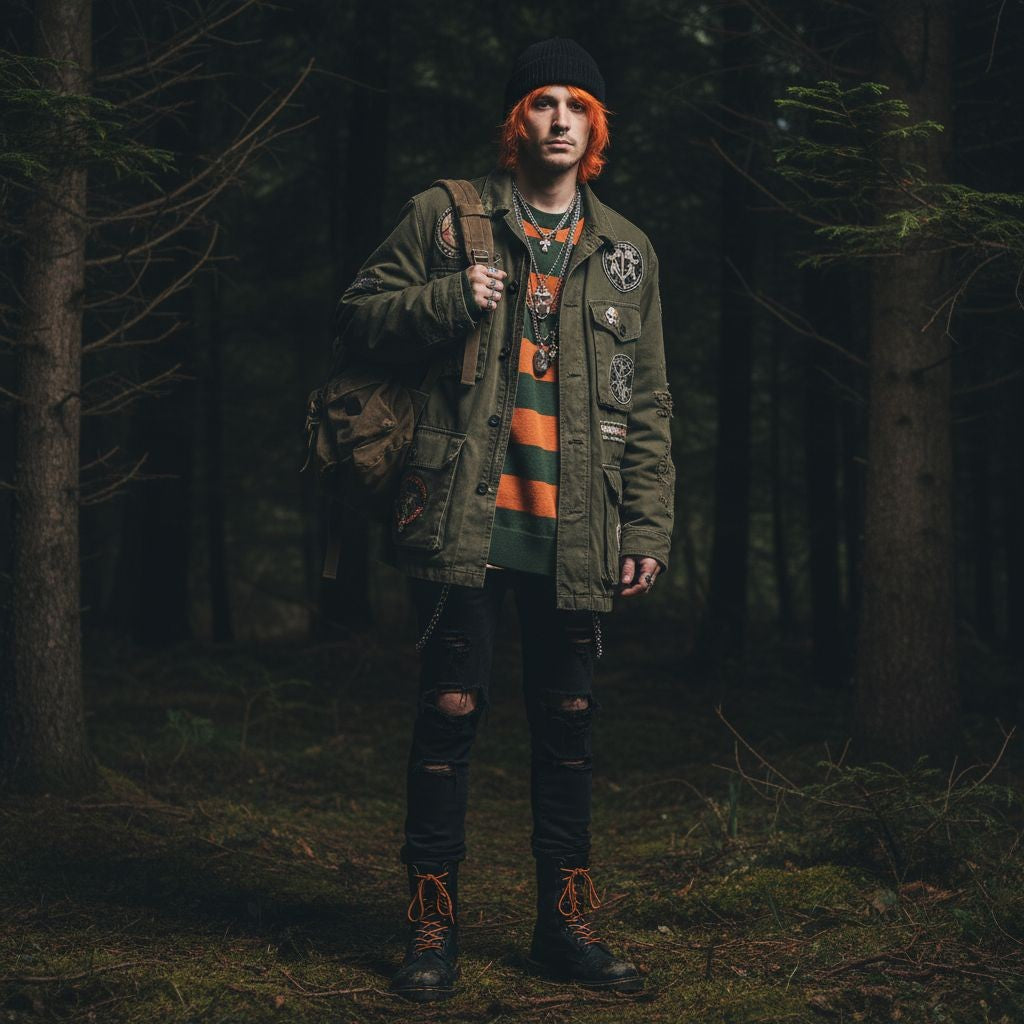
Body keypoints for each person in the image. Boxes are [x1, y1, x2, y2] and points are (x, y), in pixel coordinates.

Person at [335, 38, 675, 1002]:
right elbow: (357, 314)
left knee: (569, 725)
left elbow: (648, 405)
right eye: (542, 101)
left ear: (595, 129)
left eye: (578, 105)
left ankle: (564, 928)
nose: (560, 118)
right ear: (515, 122)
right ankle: (430, 930)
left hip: (576, 533)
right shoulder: (446, 218)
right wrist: (450, 297)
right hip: (461, 520)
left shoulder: (627, 253)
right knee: (449, 715)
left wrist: (645, 529)